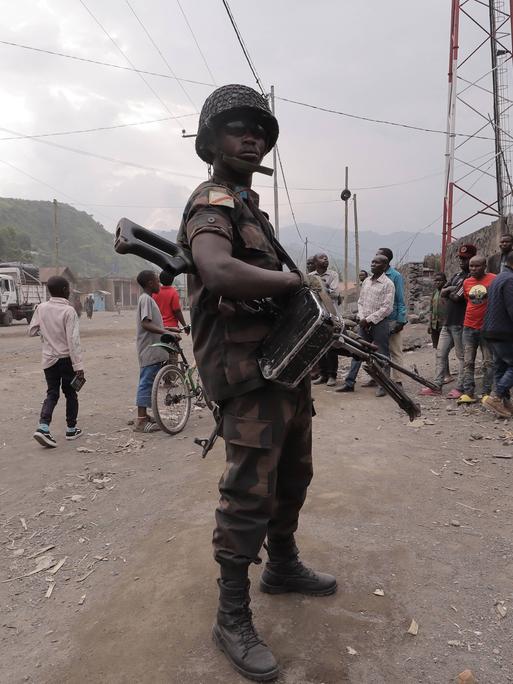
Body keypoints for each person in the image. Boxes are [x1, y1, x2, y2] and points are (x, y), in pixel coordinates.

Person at [177, 84, 336, 682]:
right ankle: (231, 614)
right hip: (246, 378)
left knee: (293, 476)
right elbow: (217, 270)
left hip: (281, 371)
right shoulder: (212, 201)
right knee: (248, 493)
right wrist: (297, 286)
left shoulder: (250, 208)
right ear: (210, 140)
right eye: (237, 126)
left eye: (260, 129)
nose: (252, 136)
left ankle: (283, 566)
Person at [29, 275, 84, 447]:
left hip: (48, 360)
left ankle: (43, 426)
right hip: (66, 359)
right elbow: (73, 341)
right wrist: (79, 366)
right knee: (70, 393)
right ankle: (71, 429)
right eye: (68, 288)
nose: (69, 291)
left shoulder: (41, 308)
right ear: (64, 290)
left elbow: (31, 330)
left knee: (52, 393)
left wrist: (47, 334)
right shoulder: (69, 311)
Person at [420, 243, 476, 398]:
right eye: (460, 258)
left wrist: (451, 290)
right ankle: (436, 386)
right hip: (448, 323)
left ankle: (460, 387)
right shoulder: (457, 276)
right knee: (440, 354)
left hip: (460, 323)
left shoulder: (471, 278)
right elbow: (445, 291)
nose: (462, 261)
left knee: (462, 357)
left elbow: (457, 297)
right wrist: (452, 289)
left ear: (472, 259)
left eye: (465, 259)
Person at [336, 254, 395, 396]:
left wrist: (369, 320)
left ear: (385, 266)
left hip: (379, 323)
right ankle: (349, 383)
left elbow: (386, 308)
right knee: (357, 351)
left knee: (382, 354)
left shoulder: (388, 284)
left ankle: (383, 385)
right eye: (372, 262)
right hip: (364, 323)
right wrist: (362, 318)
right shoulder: (367, 281)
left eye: (377, 263)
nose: (373, 264)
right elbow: (361, 302)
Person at [457, 256, 496, 404]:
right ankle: (468, 392)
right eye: (471, 266)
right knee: (468, 361)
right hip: (468, 327)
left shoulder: (493, 279)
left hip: (487, 328)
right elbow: (468, 300)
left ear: (485, 266)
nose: (473, 269)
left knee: (488, 362)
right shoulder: (467, 282)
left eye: (477, 266)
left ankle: (486, 392)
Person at [134, 270, 169, 433]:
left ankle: (144, 415)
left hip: (152, 348)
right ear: (150, 283)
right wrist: (166, 333)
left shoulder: (148, 299)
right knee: (147, 382)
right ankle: (141, 421)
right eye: (157, 281)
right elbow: (146, 324)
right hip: (149, 349)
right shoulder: (146, 299)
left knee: (148, 381)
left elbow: (154, 324)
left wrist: (170, 329)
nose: (159, 284)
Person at [482, 250, 513, 417]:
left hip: (491, 330)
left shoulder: (498, 277)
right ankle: (496, 397)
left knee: (500, 367)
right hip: (503, 331)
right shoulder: (510, 280)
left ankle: (505, 404)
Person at [375, 247, 407, 388]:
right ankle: (379, 377)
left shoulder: (395, 276)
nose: (375, 258)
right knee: (378, 350)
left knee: (395, 350)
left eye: (379, 256)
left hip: (392, 318)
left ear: (386, 260)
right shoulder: (375, 276)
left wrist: (401, 320)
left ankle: (398, 380)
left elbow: (400, 299)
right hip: (377, 319)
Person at [310, 253, 340, 386]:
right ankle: (323, 374)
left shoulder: (333, 275)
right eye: (322, 258)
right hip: (316, 315)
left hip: (330, 313)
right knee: (319, 346)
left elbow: (335, 293)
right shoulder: (310, 277)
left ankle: (332, 376)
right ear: (315, 262)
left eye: (327, 258)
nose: (326, 259)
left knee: (332, 346)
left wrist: (321, 288)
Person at [428, 272, 451, 382]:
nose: (437, 282)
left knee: (443, 351)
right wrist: (429, 325)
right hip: (434, 324)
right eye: (435, 280)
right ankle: (443, 373)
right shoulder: (434, 293)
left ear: (445, 281)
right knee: (438, 350)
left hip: (445, 324)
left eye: (440, 280)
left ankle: (447, 374)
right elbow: (431, 309)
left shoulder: (448, 293)